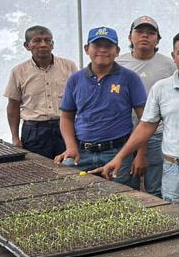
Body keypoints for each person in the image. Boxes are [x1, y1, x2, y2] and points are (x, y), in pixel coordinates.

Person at [97, 31, 179, 216]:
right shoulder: (161, 88)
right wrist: (120, 157)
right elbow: (146, 126)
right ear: (173, 57)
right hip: (174, 170)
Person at [54, 27, 146, 185]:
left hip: (118, 152)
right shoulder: (75, 79)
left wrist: (141, 155)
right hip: (82, 152)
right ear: (86, 49)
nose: (102, 50)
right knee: (74, 195)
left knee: (123, 199)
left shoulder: (130, 78)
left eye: (108, 46)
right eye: (97, 45)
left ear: (117, 51)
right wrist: (70, 147)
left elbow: (145, 120)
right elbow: (66, 117)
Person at [116, 16, 175, 197]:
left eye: (150, 33)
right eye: (140, 32)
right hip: (125, 135)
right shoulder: (118, 64)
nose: (145, 36)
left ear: (157, 39)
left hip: (157, 135)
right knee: (125, 186)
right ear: (130, 37)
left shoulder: (169, 66)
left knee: (155, 188)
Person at [4, 25, 77, 159]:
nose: (43, 44)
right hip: (34, 131)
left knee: (71, 169)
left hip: (65, 128)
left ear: (53, 44)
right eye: (37, 41)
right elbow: (13, 107)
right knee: (39, 171)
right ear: (27, 45)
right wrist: (15, 138)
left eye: (47, 40)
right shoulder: (18, 71)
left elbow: (80, 99)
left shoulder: (69, 66)